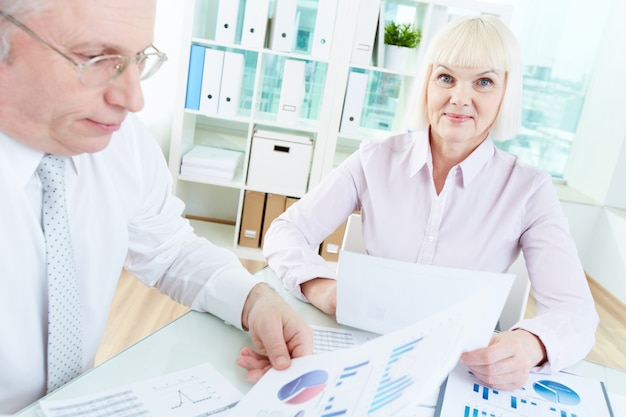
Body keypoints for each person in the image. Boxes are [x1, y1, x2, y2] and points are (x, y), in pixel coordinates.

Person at [0, 0, 312, 413]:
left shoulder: (121, 142)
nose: (134, 98)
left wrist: (253, 299)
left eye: (137, 58)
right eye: (96, 58)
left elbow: (169, 250)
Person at [263, 15, 599, 390]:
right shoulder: (374, 158)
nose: (459, 98)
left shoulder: (530, 189)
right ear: (427, 83)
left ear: (506, 93)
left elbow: (576, 313)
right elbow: (285, 231)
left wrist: (530, 344)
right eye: (446, 77)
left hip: (457, 369)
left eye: (484, 82)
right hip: (366, 355)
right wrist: (320, 285)